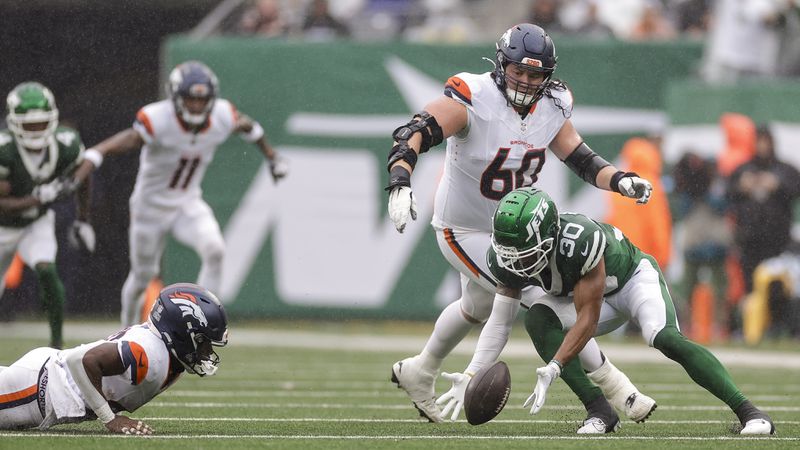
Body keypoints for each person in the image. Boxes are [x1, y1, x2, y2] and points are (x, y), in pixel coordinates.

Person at [386, 23, 654, 429]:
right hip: (463, 229)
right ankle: (616, 389)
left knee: (476, 306)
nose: (526, 82)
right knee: (538, 294)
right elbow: (415, 132)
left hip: (513, 229)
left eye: (535, 75)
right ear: (501, 64)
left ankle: (420, 370)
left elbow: (579, 157)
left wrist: (619, 180)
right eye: (519, 72)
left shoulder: (555, 103)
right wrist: (400, 181)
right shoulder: (473, 95)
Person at [443, 187, 773, 435]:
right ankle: (600, 410)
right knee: (538, 319)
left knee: (663, 336)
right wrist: (472, 373)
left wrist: (557, 364)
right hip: (584, 298)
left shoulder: (580, 242)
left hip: (630, 282)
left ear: (548, 236)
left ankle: (749, 410)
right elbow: (500, 321)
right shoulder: (509, 257)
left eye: (524, 250)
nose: (515, 259)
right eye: (509, 250)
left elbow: (587, 318)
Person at [69, 61, 288, 326]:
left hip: (187, 202)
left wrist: (273, 158)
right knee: (141, 277)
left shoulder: (221, 116)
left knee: (215, 249)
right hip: (150, 208)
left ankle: (200, 326)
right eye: (190, 99)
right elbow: (120, 142)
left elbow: (249, 127)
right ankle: (125, 333)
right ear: (175, 98)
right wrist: (92, 158)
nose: (196, 106)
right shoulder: (158, 120)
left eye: (201, 99)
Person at [0, 282, 228, 434]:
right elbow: (80, 360)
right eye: (203, 342)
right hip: (39, 389)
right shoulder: (149, 354)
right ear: (181, 332)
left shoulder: (168, 358)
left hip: (45, 377)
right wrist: (109, 419)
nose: (207, 352)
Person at [0, 81, 95, 349]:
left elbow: (84, 175)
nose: (36, 130)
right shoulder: (4, 149)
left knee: (47, 269)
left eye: (41, 123)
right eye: (29, 125)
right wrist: (37, 197)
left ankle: (56, 345)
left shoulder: (66, 143)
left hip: (36, 223)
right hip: (2, 227)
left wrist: (83, 217)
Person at [727, 125, 800, 293]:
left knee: (777, 288)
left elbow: (795, 186)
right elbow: (726, 192)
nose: (763, 146)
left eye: (766, 142)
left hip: (778, 240)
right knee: (751, 288)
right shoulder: (743, 169)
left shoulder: (784, 169)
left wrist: (778, 184)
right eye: (759, 142)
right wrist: (741, 187)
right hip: (749, 240)